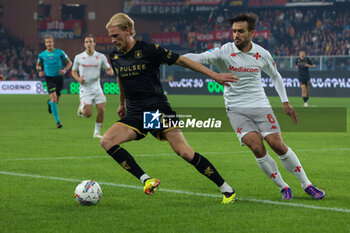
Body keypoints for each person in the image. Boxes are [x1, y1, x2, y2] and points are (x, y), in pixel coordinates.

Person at [101, 13, 239, 203]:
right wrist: (122, 103)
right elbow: (120, 77)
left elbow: (182, 60)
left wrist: (214, 75)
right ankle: (147, 180)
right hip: (135, 113)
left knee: (184, 152)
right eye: (110, 36)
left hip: (158, 111)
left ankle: (227, 189)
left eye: (115, 36)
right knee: (107, 141)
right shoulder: (114, 56)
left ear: (127, 30)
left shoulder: (149, 50)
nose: (113, 40)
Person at [184, 13, 325, 200]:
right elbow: (198, 57)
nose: (236, 35)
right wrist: (172, 57)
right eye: (234, 31)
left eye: (241, 31)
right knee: (257, 148)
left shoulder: (262, 54)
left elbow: (275, 76)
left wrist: (285, 101)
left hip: (260, 105)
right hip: (235, 108)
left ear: (252, 33)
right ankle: (283, 187)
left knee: (278, 145)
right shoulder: (224, 51)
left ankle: (306, 184)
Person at [71, 34, 114, 138]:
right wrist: (78, 79)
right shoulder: (79, 57)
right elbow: (73, 71)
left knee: (101, 109)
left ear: (94, 43)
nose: (88, 44)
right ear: (84, 45)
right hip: (85, 88)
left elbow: (109, 69)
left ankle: (97, 133)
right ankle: (82, 109)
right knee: (88, 114)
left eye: (90, 42)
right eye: (86, 42)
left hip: (96, 87)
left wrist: (110, 71)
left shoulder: (101, 57)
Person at [36, 35, 72, 128]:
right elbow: (38, 65)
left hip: (59, 78)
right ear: (45, 44)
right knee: (54, 99)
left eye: (50, 42)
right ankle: (58, 122)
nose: (49, 44)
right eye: (47, 42)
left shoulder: (60, 52)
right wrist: (40, 70)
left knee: (56, 102)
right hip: (49, 78)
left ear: (53, 43)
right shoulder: (42, 55)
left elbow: (69, 62)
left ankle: (49, 103)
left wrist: (65, 70)